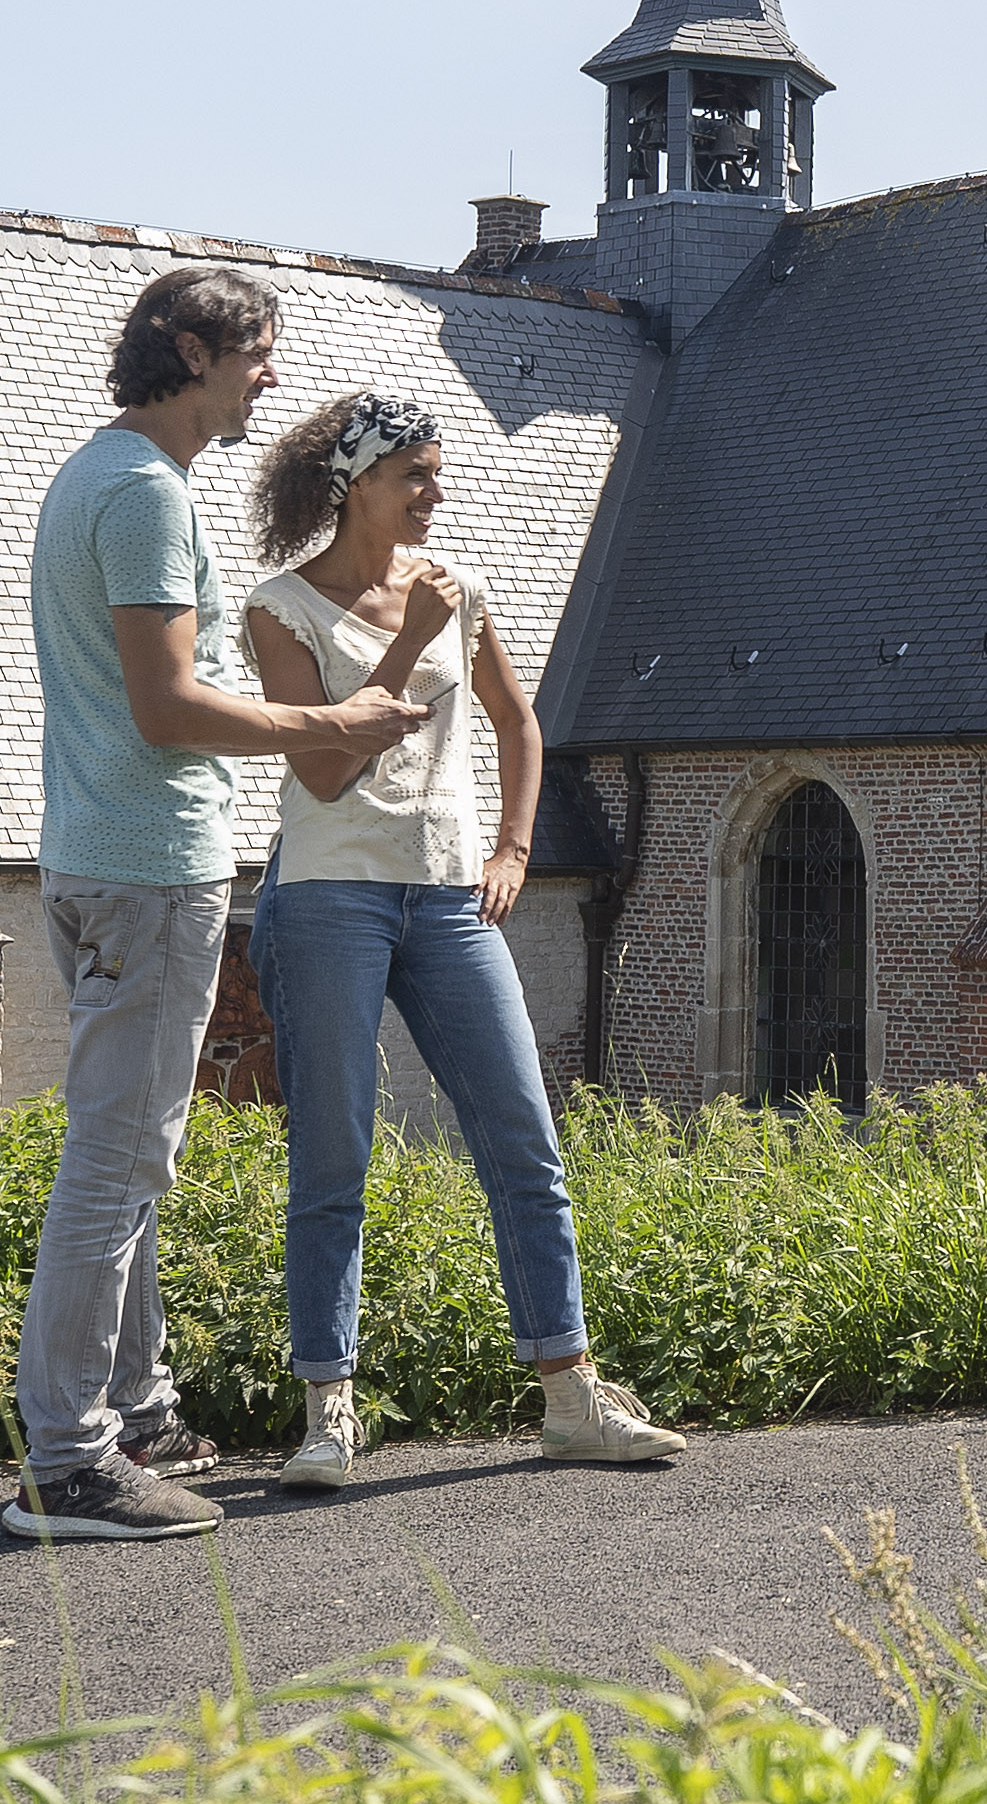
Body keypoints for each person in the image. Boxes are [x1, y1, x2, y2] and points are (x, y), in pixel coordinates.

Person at [4, 267, 426, 1542]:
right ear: (190, 349)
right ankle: (69, 1461)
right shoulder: (142, 494)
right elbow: (166, 707)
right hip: (145, 868)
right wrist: (332, 717)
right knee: (119, 1161)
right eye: (257, 352)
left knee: (121, 1147)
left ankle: (131, 1411)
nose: (273, 377)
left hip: (90, 857)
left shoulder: (98, 476)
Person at [242, 389, 684, 1486]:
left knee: (524, 1143)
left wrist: (515, 852)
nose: (435, 495)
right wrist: (409, 649)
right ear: (353, 485)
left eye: (438, 474)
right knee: (333, 1153)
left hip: (445, 898)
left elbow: (517, 722)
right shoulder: (279, 608)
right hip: (327, 894)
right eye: (415, 477)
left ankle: (572, 1399)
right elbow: (322, 766)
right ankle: (327, 1414)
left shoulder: (459, 591)